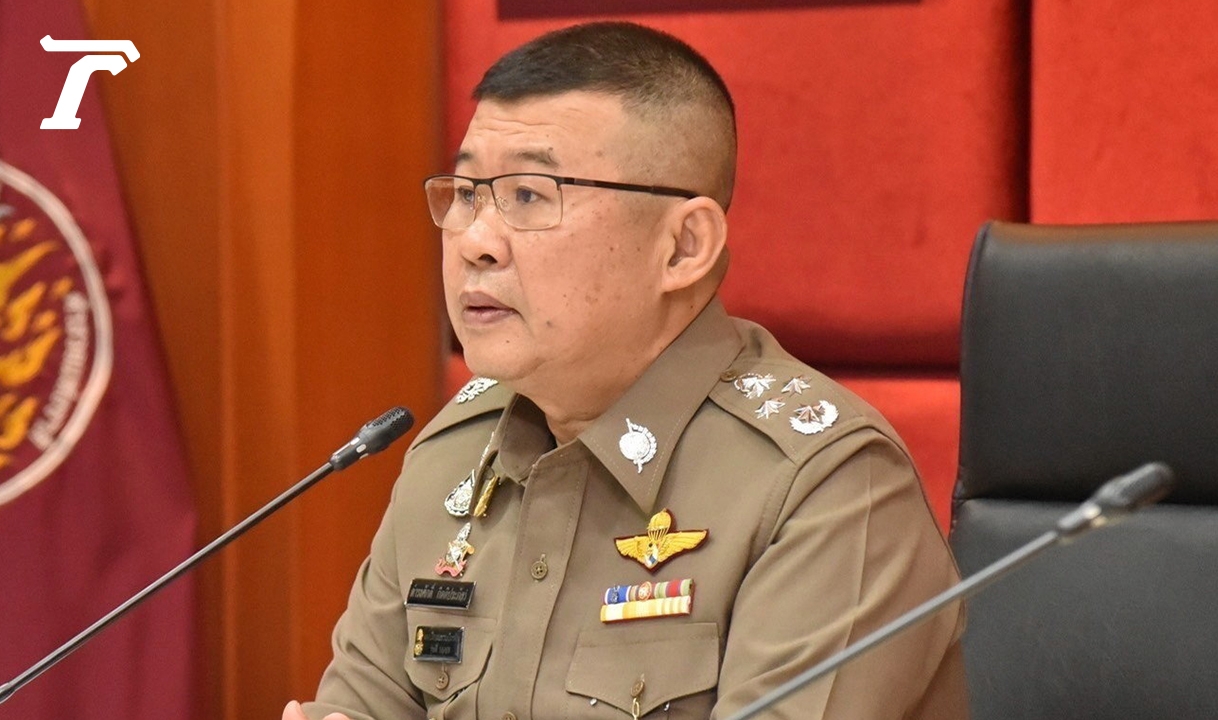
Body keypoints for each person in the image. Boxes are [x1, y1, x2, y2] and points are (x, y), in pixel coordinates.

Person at [283, 21, 967, 720]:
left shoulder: (824, 488)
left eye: (529, 194)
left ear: (683, 247)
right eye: (465, 193)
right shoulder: (450, 456)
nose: (476, 242)